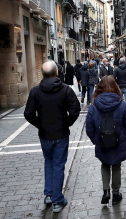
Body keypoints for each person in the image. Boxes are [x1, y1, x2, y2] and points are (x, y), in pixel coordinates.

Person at [24, 60, 81, 213]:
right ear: (57, 73)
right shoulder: (65, 90)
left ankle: (49, 194)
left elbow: (28, 114)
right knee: (58, 165)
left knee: (49, 162)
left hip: (45, 135)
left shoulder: (35, 91)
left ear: (43, 74)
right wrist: (66, 123)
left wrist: (40, 124)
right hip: (61, 134)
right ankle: (57, 200)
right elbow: (75, 110)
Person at [86, 76, 126, 206]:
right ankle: (116, 194)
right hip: (118, 142)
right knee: (116, 166)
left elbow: (89, 128)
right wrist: (125, 139)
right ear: (115, 88)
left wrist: (96, 140)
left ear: (99, 88)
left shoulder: (94, 106)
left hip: (102, 142)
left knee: (105, 165)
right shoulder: (121, 104)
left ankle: (106, 191)